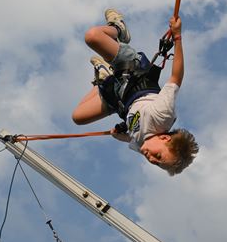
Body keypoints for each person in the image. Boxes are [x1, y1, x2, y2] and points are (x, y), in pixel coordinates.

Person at [72, 9, 198, 175]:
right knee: (92, 36)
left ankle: (104, 77)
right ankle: (119, 29)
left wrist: (118, 134)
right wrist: (177, 37)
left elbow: (130, 138)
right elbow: (176, 77)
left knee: (78, 117)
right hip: (132, 72)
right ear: (165, 138)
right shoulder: (163, 116)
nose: (152, 160)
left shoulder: (142, 145)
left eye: (157, 164)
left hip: (119, 98)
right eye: (159, 156)